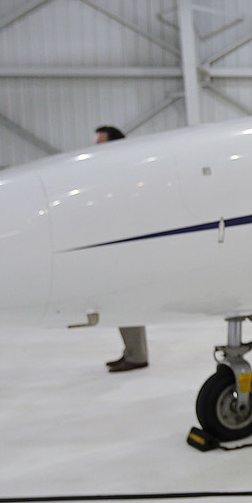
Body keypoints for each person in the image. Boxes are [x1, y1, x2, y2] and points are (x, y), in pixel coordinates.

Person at [92, 125, 148, 373]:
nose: (96, 147)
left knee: (126, 301)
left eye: (100, 142)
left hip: (125, 245)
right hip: (116, 243)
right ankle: (132, 352)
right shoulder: (112, 170)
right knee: (122, 302)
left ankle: (137, 355)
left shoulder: (123, 171)